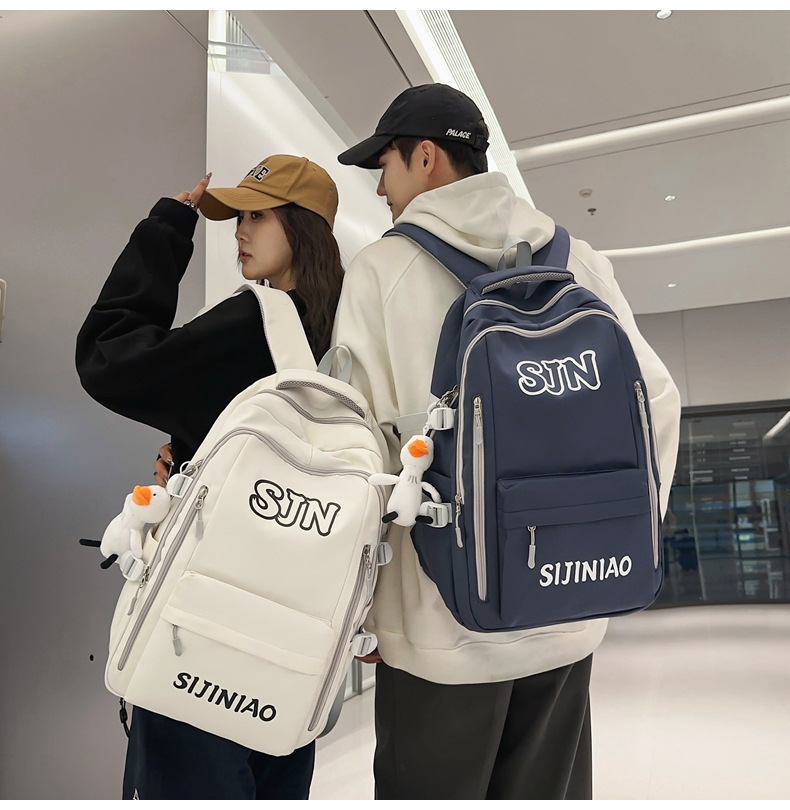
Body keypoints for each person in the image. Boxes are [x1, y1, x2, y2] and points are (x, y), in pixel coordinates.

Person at [331, 83, 682, 800]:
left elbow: (356, 451)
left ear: (425, 157)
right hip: (569, 614)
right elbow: (660, 404)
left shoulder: (381, 271)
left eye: (384, 166)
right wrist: (612, 535)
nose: (380, 188)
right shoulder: (580, 261)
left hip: (439, 631)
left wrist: (360, 609)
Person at [75, 154, 344, 800]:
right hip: (293, 645)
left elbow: (109, 357)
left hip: (203, 639)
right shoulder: (337, 333)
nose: (239, 232)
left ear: (301, 228)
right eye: (236, 219)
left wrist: (167, 230)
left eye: (257, 216)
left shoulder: (253, 322)